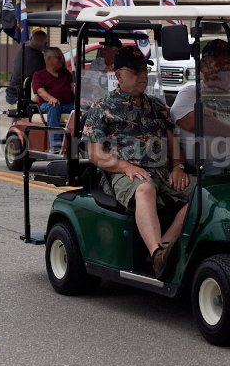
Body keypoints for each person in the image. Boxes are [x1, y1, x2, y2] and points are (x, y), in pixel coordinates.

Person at [82, 45, 193, 276]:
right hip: (122, 174)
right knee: (145, 189)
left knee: (205, 193)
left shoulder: (157, 107)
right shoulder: (102, 108)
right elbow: (96, 155)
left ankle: (165, 246)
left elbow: (172, 142)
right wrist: (124, 166)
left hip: (163, 173)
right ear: (119, 75)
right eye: (135, 71)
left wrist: (178, 166)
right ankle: (156, 253)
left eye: (144, 70)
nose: (142, 75)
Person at [170, 39, 230, 166]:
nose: (223, 69)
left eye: (228, 63)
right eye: (216, 64)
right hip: (208, 169)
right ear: (202, 67)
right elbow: (193, 122)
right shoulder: (191, 94)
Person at [31, 47, 75, 149]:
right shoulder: (39, 75)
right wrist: (51, 98)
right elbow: (40, 91)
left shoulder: (65, 73)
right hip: (47, 105)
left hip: (67, 105)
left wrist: (81, 100)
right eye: (58, 57)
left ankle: (79, 139)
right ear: (49, 59)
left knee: (83, 108)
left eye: (61, 57)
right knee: (54, 107)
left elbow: (73, 88)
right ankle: (55, 145)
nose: (61, 60)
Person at [4, 28, 48, 105]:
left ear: (30, 39)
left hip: (11, 93)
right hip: (23, 96)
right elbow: (47, 76)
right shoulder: (39, 58)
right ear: (45, 44)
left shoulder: (22, 50)